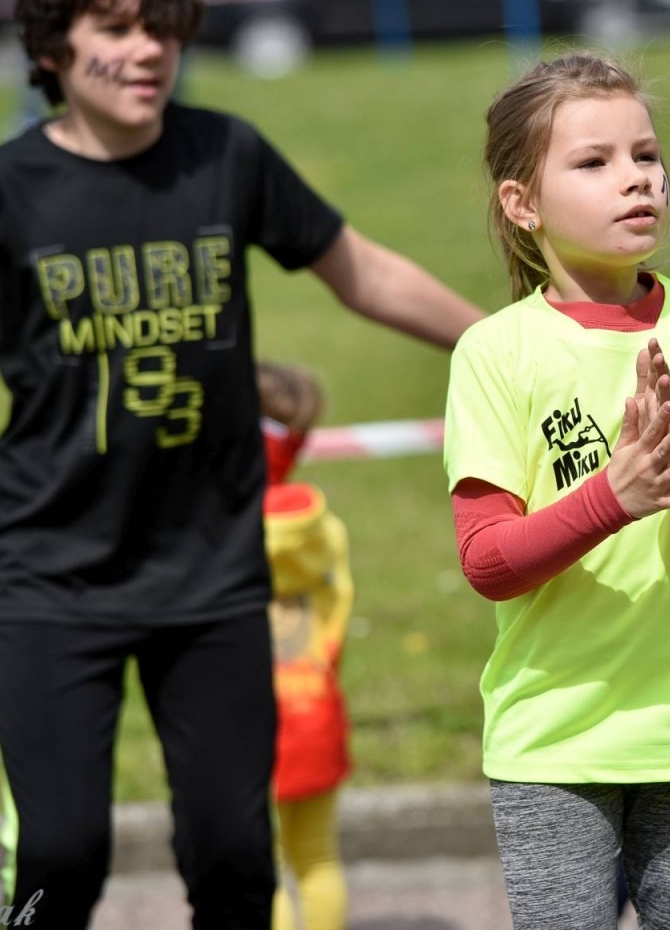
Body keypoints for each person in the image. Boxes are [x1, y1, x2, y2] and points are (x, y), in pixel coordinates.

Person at [0, 0, 483, 929]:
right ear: (51, 47)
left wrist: (510, 343)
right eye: (116, 28)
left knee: (233, 861)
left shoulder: (227, 155)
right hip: (51, 579)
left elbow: (362, 272)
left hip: (213, 574)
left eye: (164, 28)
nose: (149, 50)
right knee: (60, 857)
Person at [442, 52, 670, 929]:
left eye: (646, 154)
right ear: (521, 204)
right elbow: (488, 561)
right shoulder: (495, 352)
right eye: (594, 161)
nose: (636, 177)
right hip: (553, 749)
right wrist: (614, 495)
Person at [258, 360, 354, 930]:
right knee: (318, 857)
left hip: (244, 720)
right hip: (315, 708)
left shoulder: (218, 529)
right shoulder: (323, 526)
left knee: (260, 866)